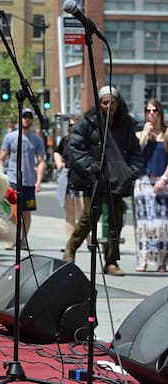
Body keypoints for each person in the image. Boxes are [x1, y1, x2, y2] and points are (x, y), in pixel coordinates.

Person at [65, 86, 143, 276]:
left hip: (117, 178)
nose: (109, 106)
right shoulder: (87, 122)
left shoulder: (126, 124)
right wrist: (91, 167)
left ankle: (111, 261)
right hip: (95, 178)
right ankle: (70, 249)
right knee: (90, 216)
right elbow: (74, 147)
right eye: (105, 102)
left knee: (116, 220)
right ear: (99, 103)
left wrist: (132, 171)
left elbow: (135, 152)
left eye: (112, 102)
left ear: (118, 102)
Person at [0, 107, 46, 249]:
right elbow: (1, 158)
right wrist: (0, 177)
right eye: (24, 116)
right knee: (12, 211)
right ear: (20, 117)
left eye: (29, 116)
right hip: (12, 179)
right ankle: (12, 238)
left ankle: (23, 239)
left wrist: (39, 181)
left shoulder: (36, 140)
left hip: (29, 181)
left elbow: (41, 161)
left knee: (26, 212)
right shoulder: (10, 137)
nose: (26, 119)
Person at [134, 98, 168, 272]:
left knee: (162, 225)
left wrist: (164, 178)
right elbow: (134, 157)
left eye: (154, 110)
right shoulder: (140, 135)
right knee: (144, 225)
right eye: (148, 111)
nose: (151, 113)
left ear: (160, 113)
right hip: (143, 182)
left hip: (162, 181)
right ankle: (143, 260)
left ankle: (162, 261)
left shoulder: (167, 134)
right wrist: (144, 138)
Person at [54, 117, 84, 260]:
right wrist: (59, 162)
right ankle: (70, 242)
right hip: (67, 177)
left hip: (81, 178)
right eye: (71, 125)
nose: (73, 127)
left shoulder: (85, 140)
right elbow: (56, 152)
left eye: (75, 125)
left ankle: (88, 240)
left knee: (83, 213)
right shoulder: (65, 140)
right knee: (69, 213)